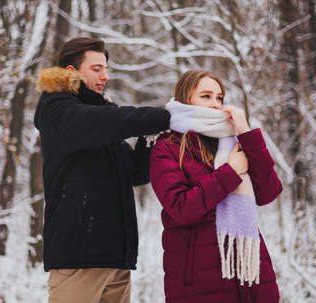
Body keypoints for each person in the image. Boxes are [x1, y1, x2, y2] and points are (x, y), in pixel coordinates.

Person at [34, 37, 170, 303]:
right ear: (72, 72)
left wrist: (150, 137)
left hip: (115, 259)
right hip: (78, 258)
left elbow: (134, 173)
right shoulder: (56, 109)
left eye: (106, 69)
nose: (105, 76)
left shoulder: (98, 117)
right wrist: (162, 117)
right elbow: (107, 121)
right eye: (96, 69)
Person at [150, 70, 283, 303]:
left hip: (249, 273)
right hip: (199, 282)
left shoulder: (231, 141)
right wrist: (230, 172)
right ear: (185, 99)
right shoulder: (168, 147)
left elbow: (268, 192)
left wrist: (246, 132)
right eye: (206, 96)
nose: (215, 104)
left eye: (219, 97)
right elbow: (181, 208)